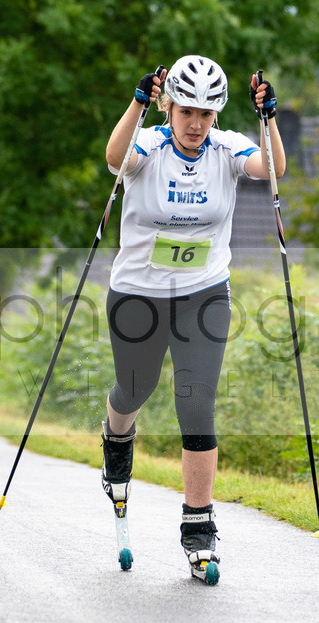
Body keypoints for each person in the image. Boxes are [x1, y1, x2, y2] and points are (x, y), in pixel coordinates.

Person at [100, 55, 285, 580]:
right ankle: (117, 437)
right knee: (136, 389)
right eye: (186, 110)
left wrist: (268, 118)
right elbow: (116, 158)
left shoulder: (227, 150)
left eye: (206, 112)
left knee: (196, 402)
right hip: (138, 292)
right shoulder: (149, 143)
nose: (196, 123)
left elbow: (273, 170)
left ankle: (198, 527)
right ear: (168, 105)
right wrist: (136, 104)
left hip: (203, 293)